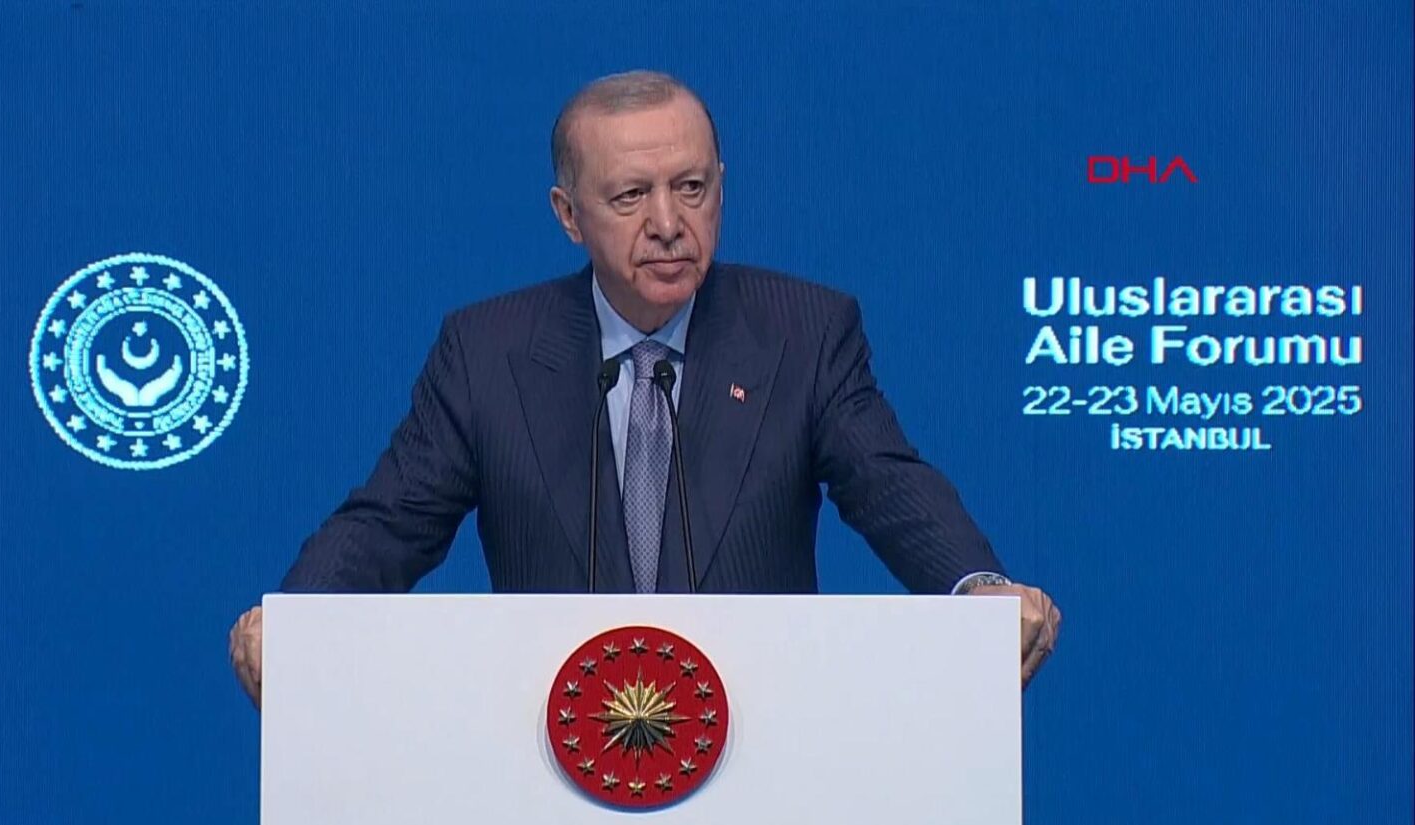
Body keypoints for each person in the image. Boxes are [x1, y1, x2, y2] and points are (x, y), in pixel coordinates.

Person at [229, 70, 1060, 707]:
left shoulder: (803, 332)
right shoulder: (488, 351)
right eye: (631, 196)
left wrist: (979, 590)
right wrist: (299, 619)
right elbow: (392, 519)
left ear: (721, 186)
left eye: (691, 188)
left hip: (764, 748)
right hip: (548, 755)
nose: (668, 223)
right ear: (568, 214)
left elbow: (887, 482)